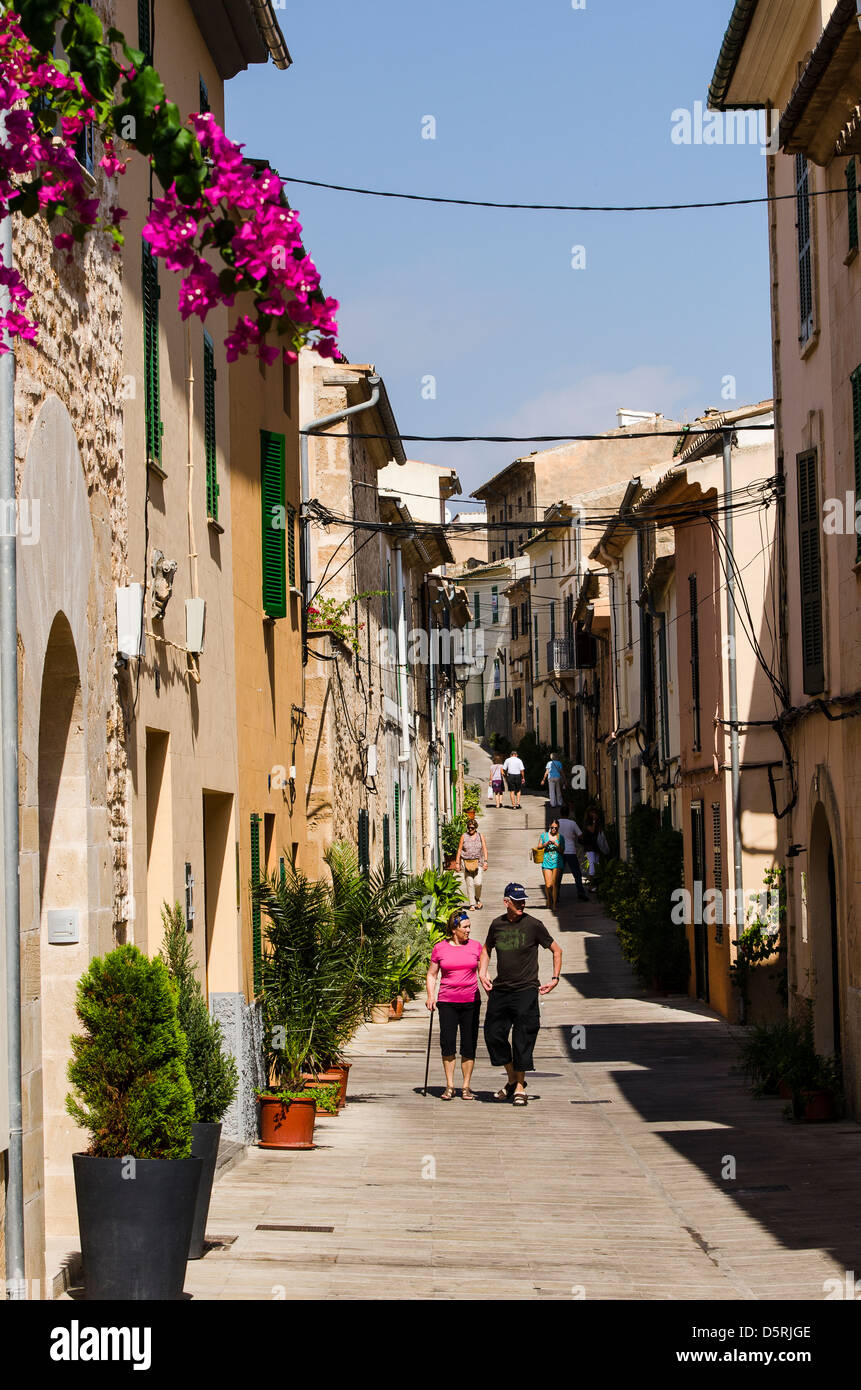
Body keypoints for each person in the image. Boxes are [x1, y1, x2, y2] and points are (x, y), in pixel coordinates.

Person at [479, 882, 562, 1106]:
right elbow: (486, 949)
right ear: (506, 902)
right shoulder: (497, 925)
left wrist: (554, 978)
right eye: (517, 901)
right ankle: (512, 1078)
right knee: (493, 1034)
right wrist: (482, 972)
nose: (521, 904)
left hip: (526, 990)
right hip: (501, 990)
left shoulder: (534, 925)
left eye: (523, 901)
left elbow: (556, 950)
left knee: (522, 1039)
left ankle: (518, 1088)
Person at [426, 909, 483, 1100]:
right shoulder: (440, 948)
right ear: (454, 929)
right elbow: (432, 974)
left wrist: (491, 987)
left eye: (469, 926)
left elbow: (483, 972)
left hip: (471, 1001)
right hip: (447, 1001)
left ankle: (465, 1086)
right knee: (447, 1042)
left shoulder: (476, 947)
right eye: (465, 927)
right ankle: (450, 1085)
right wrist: (430, 996)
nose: (469, 930)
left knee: (469, 1043)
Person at [557, 804, 590, 903]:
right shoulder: (572, 823)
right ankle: (580, 892)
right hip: (570, 850)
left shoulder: (556, 823)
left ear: (560, 813)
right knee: (577, 873)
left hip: (559, 851)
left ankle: (556, 894)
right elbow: (580, 835)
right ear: (568, 813)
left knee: (558, 874)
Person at [455, 816, 488, 909]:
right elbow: (459, 850)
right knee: (469, 883)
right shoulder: (464, 836)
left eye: (472, 828)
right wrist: (457, 863)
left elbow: (484, 849)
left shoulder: (480, 836)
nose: (470, 829)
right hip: (466, 863)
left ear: (475, 827)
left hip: (478, 862)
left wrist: (485, 861)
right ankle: (472, 904)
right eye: (469, 828)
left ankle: (477, 898)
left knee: (478, 883)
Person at [537, 819, 564, 911]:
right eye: (552, 827)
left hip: (557, 862)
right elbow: (539, 846)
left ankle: (554, 904)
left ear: (558, 828)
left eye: (555, 828)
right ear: (549, 827)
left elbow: (562, 850)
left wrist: (556, 843)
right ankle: (549, 900)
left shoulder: (561, 837)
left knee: (554, 884)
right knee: (548, 885)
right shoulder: (543, 835)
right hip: (546, 862)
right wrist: (546, 844)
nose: (554, 829)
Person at [579, 804, 603, 881]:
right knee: (592, 866)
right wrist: (594, 821)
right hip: (589, 846)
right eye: (592, 812)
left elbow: (599, 831)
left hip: (596, 846)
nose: (594, 814)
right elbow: (592, 830)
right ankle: (591, 885)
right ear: (589, 813)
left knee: (596, 864)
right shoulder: (588, 822)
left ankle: (595, 884)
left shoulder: (598, 821)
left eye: (595, 812)